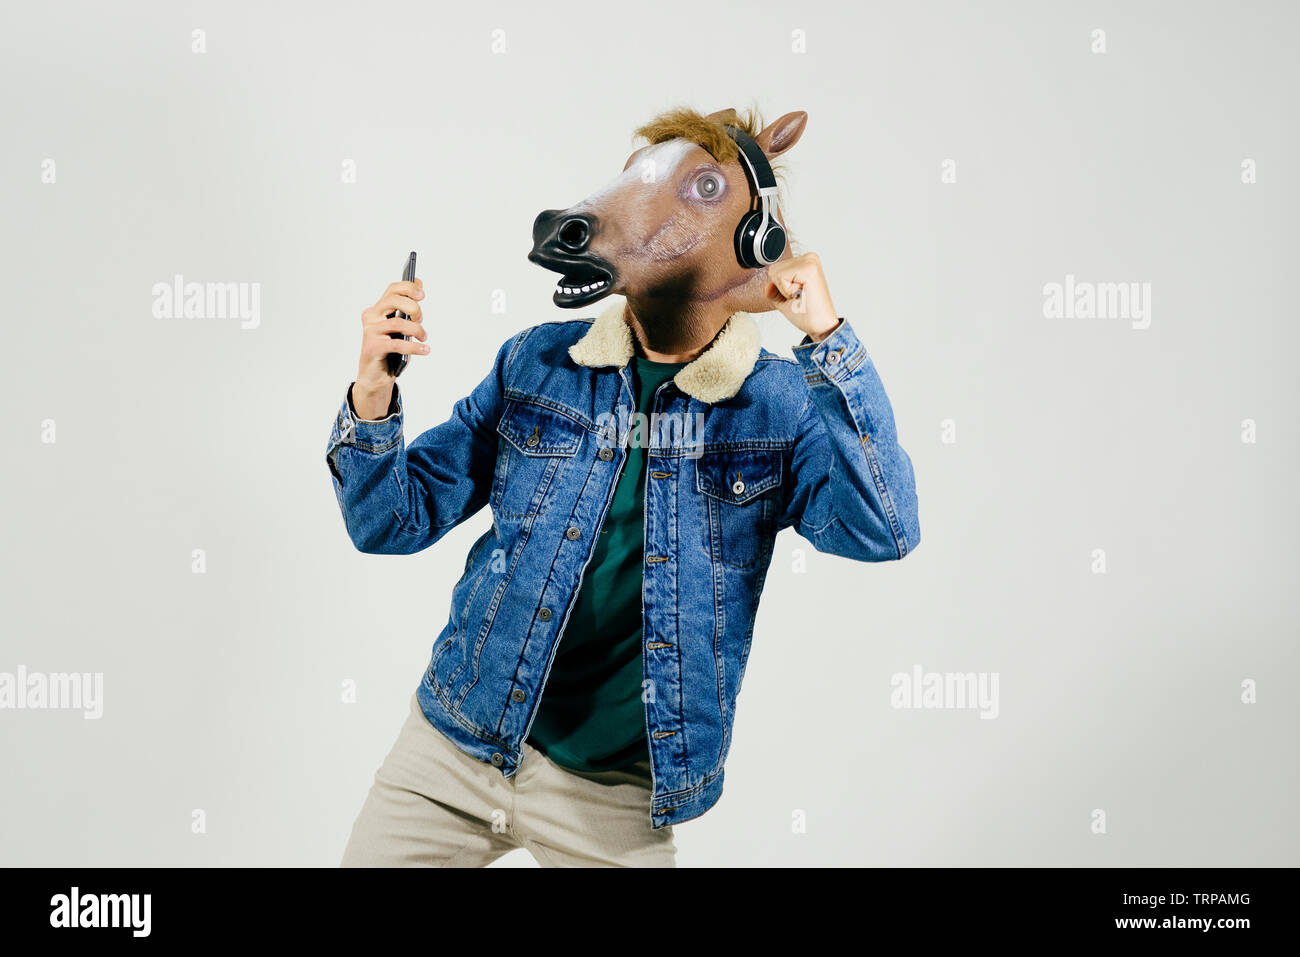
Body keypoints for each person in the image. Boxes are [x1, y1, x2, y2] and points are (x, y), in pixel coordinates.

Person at [326, 107, 920, 867]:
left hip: (613, 797)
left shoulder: (780, 409)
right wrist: (372, 392)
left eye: (702, 188)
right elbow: (388, 521)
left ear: (756, 240)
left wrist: (829, 342)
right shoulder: (535, 364)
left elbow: (886, 529)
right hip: (454, 746)